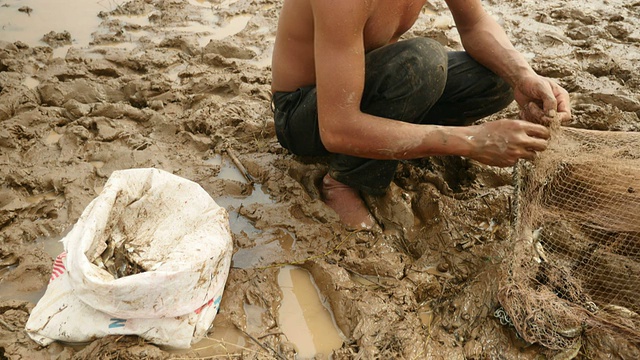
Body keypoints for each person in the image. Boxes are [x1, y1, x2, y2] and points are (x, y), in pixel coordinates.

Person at [270, 0, 572, 230]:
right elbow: (335, 128)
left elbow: (475, 24)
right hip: (308, 111)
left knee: (496, 77)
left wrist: (523, 76)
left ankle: (402, 136)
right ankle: (343, 182)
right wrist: (469, 141)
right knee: (422, 62)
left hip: (367, 84)